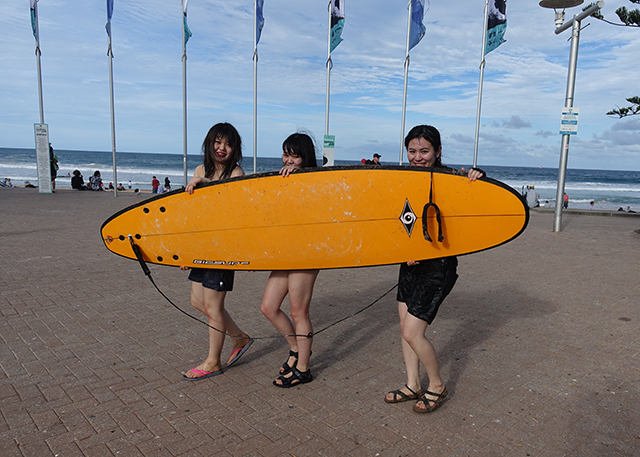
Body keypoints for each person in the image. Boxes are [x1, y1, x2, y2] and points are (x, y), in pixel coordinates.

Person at [384, 125, 484, 414]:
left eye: (424, 151)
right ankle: (413, 383)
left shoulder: (452, 179)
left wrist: (478, 178)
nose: (417, 157)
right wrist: (404, 251)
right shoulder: (403, 179)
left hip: (438, 266)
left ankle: (437, 385)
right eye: (412, 151)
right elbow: (395, 219)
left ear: (438, 151)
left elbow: (478, 203)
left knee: (413, 332)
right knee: (404, 329)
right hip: (409, 263)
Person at [180, 123, 253, 380]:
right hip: (203, 244)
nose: (222, 149)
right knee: (197, 301)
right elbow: (197, 216)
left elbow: (228, 204)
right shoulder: (201, 169)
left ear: (235, 149)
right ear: (210, 143)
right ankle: (240, 338)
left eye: (228, 144)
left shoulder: (237, 172)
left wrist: (205, 182)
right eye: (218, 142)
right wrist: (188, 250)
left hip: (223, 248)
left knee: (213, 307)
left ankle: (213, 362)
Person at [260, 132, 320, 388]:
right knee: (268, 307)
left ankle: (303, 368)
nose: (289, 160)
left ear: (305, 159)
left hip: (306, 252)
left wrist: (300, 181)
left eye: (295, 155)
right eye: (286, 154)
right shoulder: (280, 179)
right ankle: (296, 350)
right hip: (284, 251)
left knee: (299, 311)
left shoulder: (316, 181)